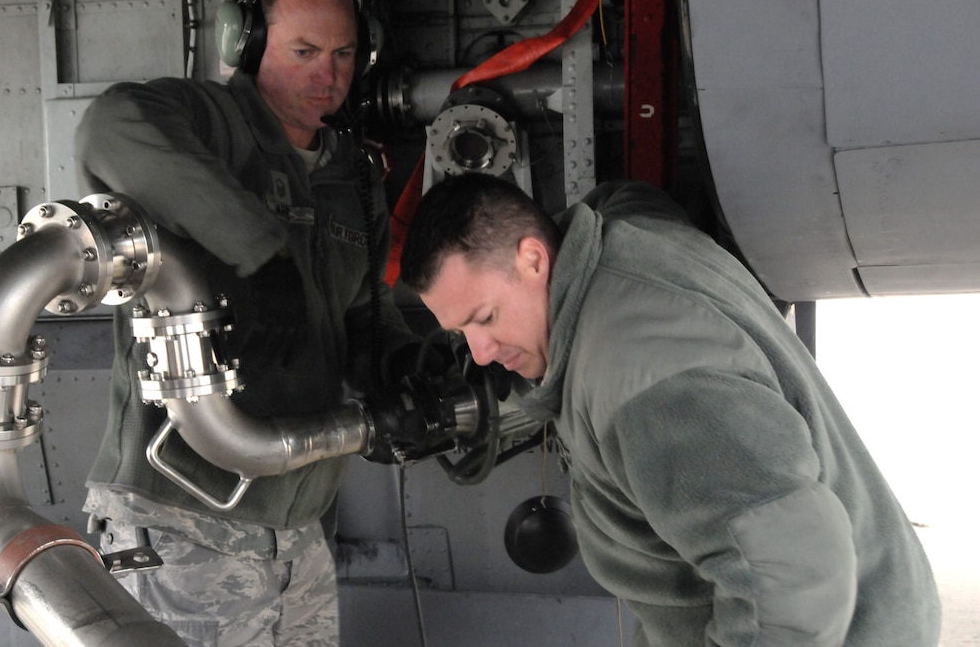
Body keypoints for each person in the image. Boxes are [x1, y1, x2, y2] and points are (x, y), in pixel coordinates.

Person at [399, 173, 942, 646]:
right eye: (461, 332)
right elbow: (629, 197)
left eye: (486, 317)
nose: (481, 352)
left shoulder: (646, 376)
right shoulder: (620, 241)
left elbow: (794, 572)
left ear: (535, 259)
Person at [74, 0, 422, 645]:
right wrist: (261, 255)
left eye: (345, 54)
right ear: (251, 42)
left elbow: (363, 316)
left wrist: (411, 366)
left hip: (297, 529)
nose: (327, 77)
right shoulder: (209, 122)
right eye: (303, 50)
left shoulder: (354, 175)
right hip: (181, 521)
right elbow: (107, 127)